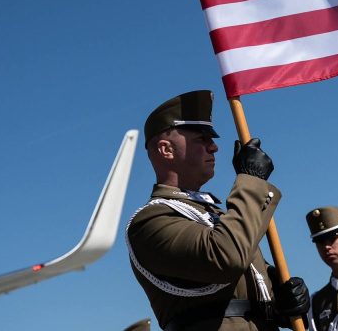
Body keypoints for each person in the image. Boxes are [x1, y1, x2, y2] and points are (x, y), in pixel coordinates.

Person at [127, 90, 310, 331]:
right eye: (201, 139)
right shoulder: (150, 221)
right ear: (166, 150)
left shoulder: (219, 219)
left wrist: (284, 301)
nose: (214, 147)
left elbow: (250, 289)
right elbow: (226, 257)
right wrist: (251, 181)